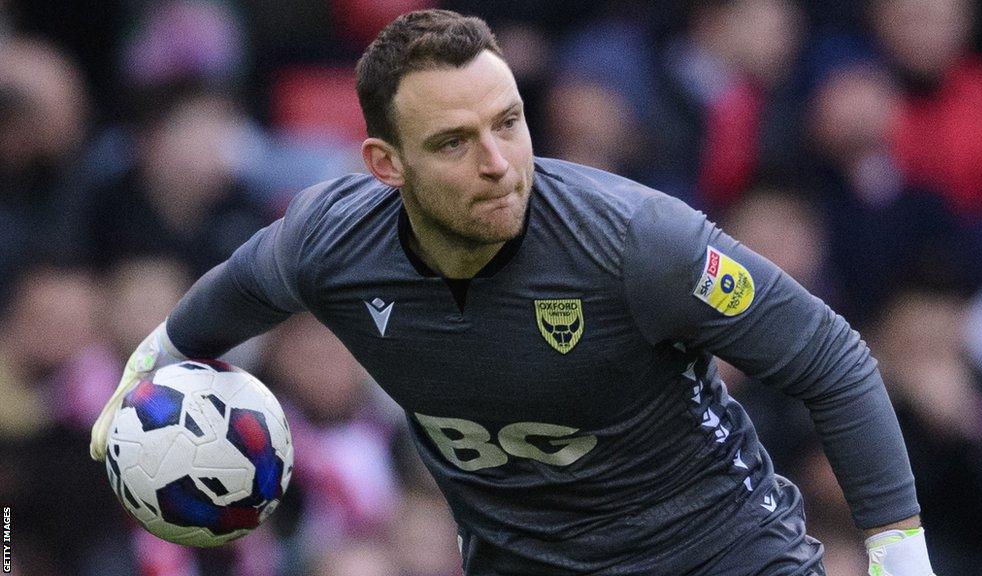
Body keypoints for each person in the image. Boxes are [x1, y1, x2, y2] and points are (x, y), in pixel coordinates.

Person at [90, 10, 935, 575]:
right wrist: (143, 376)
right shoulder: (327, 242)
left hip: (717, 556)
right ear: (387, 166)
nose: (499, 163)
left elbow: (833, 359)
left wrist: (903, 564)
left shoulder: (638, 242)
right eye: (456, 141)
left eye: (509, 121)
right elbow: (212, 312)